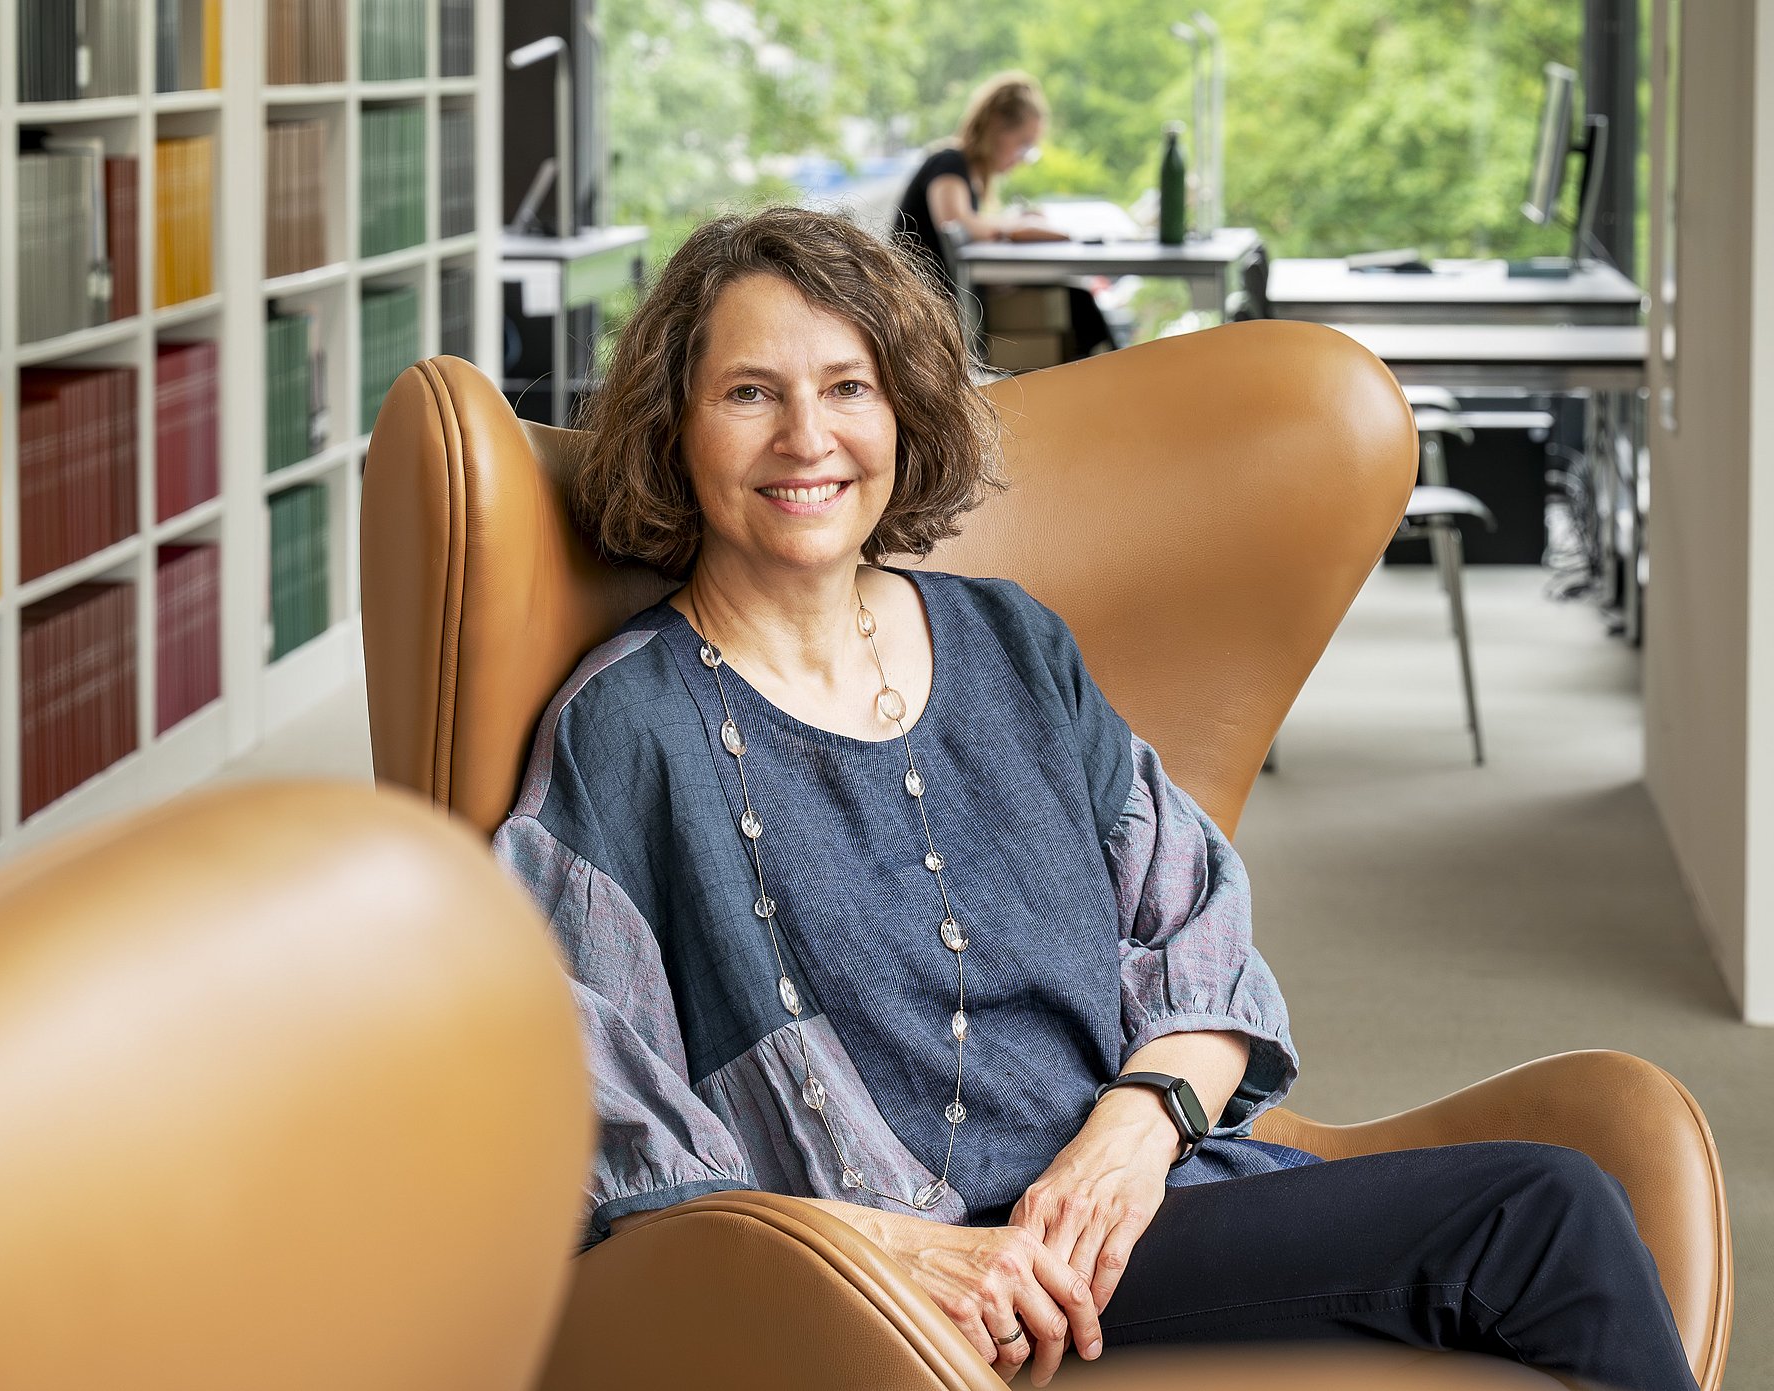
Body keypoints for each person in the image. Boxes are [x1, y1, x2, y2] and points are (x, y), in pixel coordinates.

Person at [494, 206, 1696, 1391]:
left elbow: (1200, 938)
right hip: (907, 1297)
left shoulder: (1013, 644)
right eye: (750, 393)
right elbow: (592, 1108)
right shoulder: (628, 727)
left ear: (902, 412)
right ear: (674, 429)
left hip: (1141, 1212)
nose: (808, 436)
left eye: (849, 387)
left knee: (1552, 1228)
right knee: (1546, 1213)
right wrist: (900, 1254)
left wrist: (1133, 1135)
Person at [891, 71, 1115, 360]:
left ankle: (1109, 372)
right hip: (931, 310)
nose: (1023, 157)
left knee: (1077, 300)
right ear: (997, 126)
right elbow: (956, 223)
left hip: (959, 301)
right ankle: (1115, 374)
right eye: (1023, 144)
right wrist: (1018, 225)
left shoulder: (968, 174)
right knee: (1077, 303)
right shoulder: (948, 163)